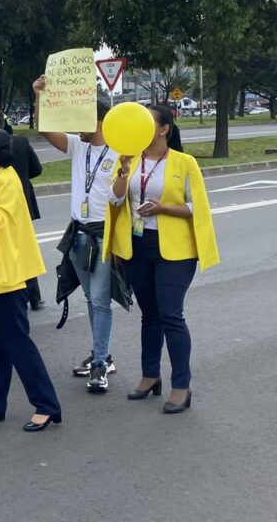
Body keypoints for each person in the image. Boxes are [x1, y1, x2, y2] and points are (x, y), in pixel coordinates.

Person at [110, 104, 219, 414]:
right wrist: (122, 175)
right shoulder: (129, 159)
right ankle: (149, 375)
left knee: (171, 315)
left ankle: (181, 386)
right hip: (138, 246)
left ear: (163, 129)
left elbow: (197, 208)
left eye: (148, 122)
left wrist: (163, 208)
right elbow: (115, 200)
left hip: (175, 249)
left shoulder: (184, 163)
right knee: (150, 315)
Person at [0, 129, 60, 430]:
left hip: (7, 277)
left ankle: (46, 405)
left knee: (17, 343)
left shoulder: (7, 179)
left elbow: (1, 222)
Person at [32, 78, 125, 390]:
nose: (75, 124)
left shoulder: (120, 153)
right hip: (78, 237)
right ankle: (103, 353)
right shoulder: (78, 145)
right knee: (90, 297)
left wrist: (124, 174)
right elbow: (45, 129)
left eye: (81, 118)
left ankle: (100, 363)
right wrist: (39, 97)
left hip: (102, 237)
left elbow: (121, 197)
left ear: (98, 121)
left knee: (99, 300)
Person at [0, 107, 46, 310]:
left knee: (12, 249)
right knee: (24, 246)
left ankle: (17, 291)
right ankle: (34, 296)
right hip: (23, 203)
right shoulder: (20, 141)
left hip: (1, 206)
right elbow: (37, 169)